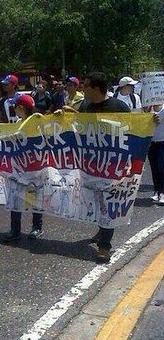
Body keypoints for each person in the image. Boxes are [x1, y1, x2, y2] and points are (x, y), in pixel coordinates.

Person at [64, 72, 131, 263]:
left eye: (85, 86)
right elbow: (79, 127)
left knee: (108, 204)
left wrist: (152, 122)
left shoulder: (119, 107)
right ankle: (102, 230)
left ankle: (104, 247)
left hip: (112, 167)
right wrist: (67, 116)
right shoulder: (85, 106)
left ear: (96, 88)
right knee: (94, 202)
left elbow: (134, 131)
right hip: (91, 166)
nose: (81, 89)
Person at [2, 94, 44, 241]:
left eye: (15, 106)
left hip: (35, 168)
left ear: (21, 107)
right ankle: (15, 230)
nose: (13, 109)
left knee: (36, 199)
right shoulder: (19, 122)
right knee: (15, 198)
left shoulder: (37, 121)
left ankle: (37, 227)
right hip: (19, 166)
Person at [144, 103, 164, 204]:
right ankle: (156, 191)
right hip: (152, 142)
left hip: (162, 142)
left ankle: (162, 192)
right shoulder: (148, 108)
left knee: (162, 167)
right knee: (154, 167)